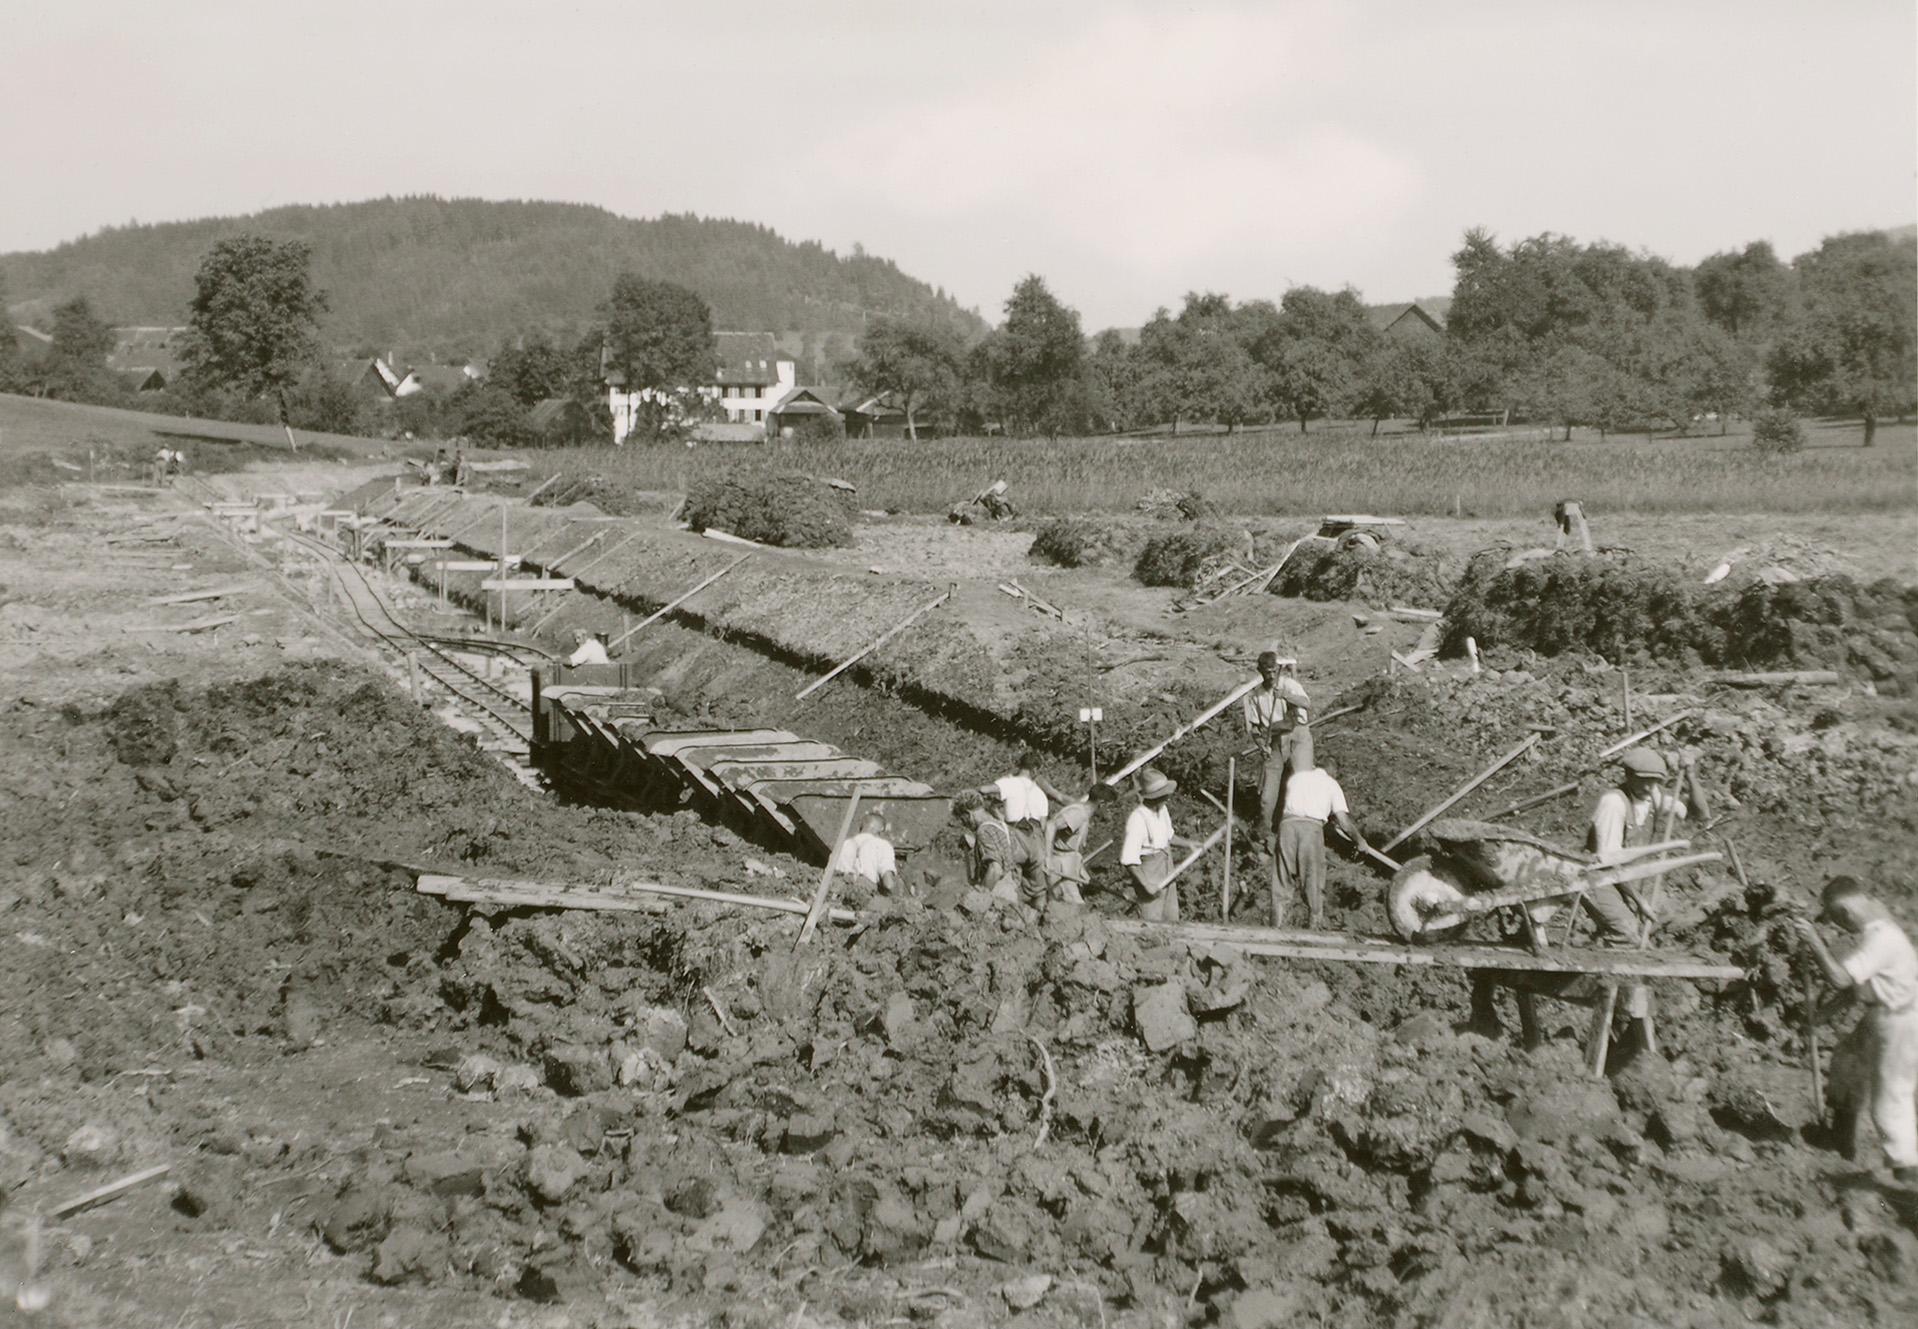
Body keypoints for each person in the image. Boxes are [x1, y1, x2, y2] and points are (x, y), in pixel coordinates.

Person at [1582, 745, 1712, 1053]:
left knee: (1640, 940)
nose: (1649, 786)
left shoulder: (1653, 797)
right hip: (1595, 880)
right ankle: (1610, 1012)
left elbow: (1701, 815)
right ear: (1628, 775)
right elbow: (1608, 862)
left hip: (1626, 884)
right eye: (1642, 780)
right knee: (1626, 932)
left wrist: (1690, 775)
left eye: (1655, 781)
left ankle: (1622, 1026)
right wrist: (1638, 901)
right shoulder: (1614, 802)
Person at [1793, 876, 1917, 1182]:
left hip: (1899, 1019)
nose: (1839, 926)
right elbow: (1857, 988)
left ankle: (1906, 1172)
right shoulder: (1876, 932)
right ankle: (1840, 1138)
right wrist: (1822, 1015)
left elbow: (1840, 979)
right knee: (1846, 1060)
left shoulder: (1882, 939)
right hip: (1883, 1014)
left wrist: (1814, 941)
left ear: (1845, 913)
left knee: (1890, 1099)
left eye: (1836, 919)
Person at [1271, 732, 1369, 930]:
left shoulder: (1297, 778)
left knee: (1282, 879)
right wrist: (1360, 841)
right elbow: (1343, 820)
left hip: (1287, 826)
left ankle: (1275, 928)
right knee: (1313, 878)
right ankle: (1314, 928)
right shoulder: (1331, 784)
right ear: (1333, 771)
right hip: (1311, 830)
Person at [1244, 651, 1310, 874]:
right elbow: (1255, 728)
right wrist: (1260, 745)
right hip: (1273, 742)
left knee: (1301, 785)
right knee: (1266, 798)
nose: (1271, 676)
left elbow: (1306, 703)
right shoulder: (1256, 696)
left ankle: (1303, 836)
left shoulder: (1288, 684)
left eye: (1274, 671)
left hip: (1298, 736)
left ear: (1277, 670)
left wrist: (1286, 697)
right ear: (1260, 671)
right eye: (1267, 672)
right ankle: (1266, 837)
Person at [1120, 768, 1196, 923]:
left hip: (1168, 870)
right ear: (1156, 796)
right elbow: (1129, 860)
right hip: (1150, 874)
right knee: (1151, 922)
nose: (1168, 797)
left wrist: (1189, 844)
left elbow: (1169, 837)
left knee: (1171, 919)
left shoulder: (1162, 809)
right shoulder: (1138, 819)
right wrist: (1146, 885)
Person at [988, 749, 1066, 880]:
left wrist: (993, 809)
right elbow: (1043, 827)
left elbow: (984, 789)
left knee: (1009, 879)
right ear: (1035, 769)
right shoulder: (1040, 794)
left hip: (1015, 839)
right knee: (1037, 887)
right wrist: (1047, 856)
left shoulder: (1008, 783)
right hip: (1036, 842)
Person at [1043, 784, 1116, 907]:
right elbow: (1051, 825)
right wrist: (1047, 858)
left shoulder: (1083, 812)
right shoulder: (1078, 814)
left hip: (1067, 864)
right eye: (1109, 807)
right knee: (1076, 908)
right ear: (1101, 803)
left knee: (1067, 908)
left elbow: (1073, 850)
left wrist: (1085, 875)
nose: (1110, 811)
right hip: (1060, 866)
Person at [955, 790, 1029, 904]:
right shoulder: (1001, 825)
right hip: (1010, 891)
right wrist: (974, 844)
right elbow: (1003, 852)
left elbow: (995, 870)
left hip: (996, 893)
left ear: (968, 813)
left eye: (962, 819)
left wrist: (980, 899)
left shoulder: (983, 832)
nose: (964, 824)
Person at [833, 811, 902, 897]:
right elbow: (888, 884)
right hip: (864, 896)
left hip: (838, 895)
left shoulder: (842, 844)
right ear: (881, 829)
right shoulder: (882, 845)